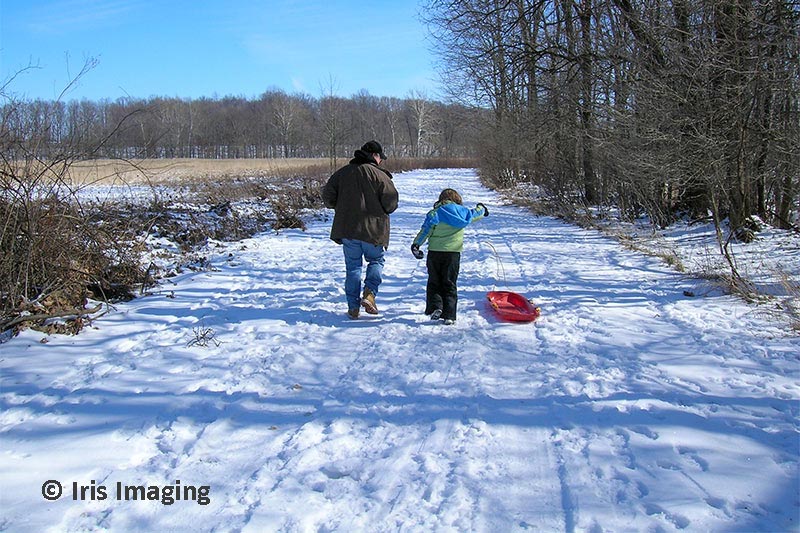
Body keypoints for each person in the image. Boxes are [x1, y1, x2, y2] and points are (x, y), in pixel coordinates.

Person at [322, 140, 399, 319]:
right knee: (376, 261)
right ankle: (370, 294)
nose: (381, 161)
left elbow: (327, 197)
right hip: (374, 229)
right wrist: (382, 209)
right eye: (381, 157)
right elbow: (391, 202)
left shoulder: (342, 173)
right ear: (375, 156)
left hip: (348, 229)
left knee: (353, 267)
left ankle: (353, 307)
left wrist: (340, 206)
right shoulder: (380, 176)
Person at [410, 188, 488, 325]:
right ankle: (450, 315)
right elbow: (475, 213)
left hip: (435, 253)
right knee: (450, 283)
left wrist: (416, 244)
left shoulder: (435, 213)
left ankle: (436, 307)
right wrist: (482, 208)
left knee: (434, 281)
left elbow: (425, 231)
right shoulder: (463, 213)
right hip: (453, 254)